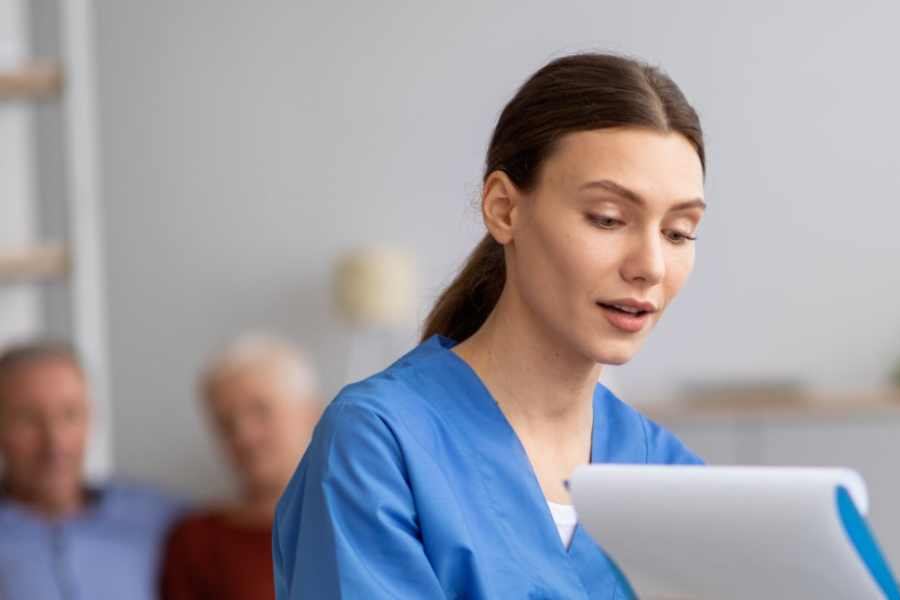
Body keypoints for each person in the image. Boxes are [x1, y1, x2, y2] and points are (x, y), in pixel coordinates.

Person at [273, 53, 708, 599]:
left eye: (679, 231)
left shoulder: (672, 476)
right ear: (504, 209)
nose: (651, 266)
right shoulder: (378, 445)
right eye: (608, 219)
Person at [0, 343, 184, 600]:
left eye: (70, 415)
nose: (55, 442)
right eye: (29, 419)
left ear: (91, 420)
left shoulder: (162, 520)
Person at [161, 332, 321, 600]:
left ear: (309, 411)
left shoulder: (359, 517)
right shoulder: (197, 541)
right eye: (225, 423)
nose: (244, 436)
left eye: (260, 410)